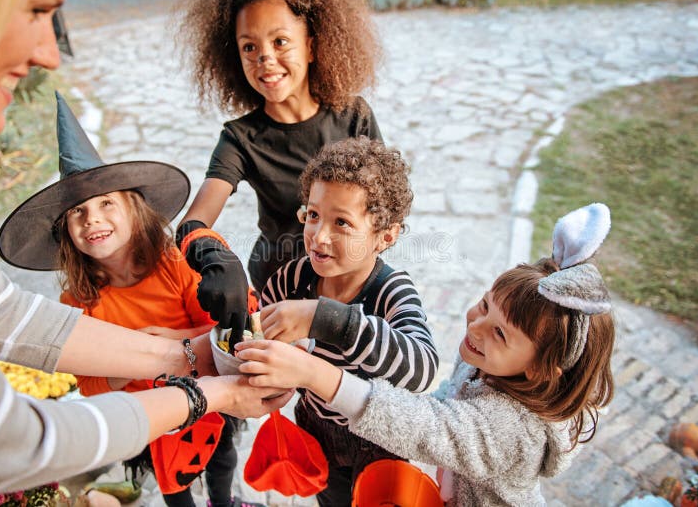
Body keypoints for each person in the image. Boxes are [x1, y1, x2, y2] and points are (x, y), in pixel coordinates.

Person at [0, 0, 290, 504]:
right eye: (39, 11)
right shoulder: (80, 296)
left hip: (182, 406)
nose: (50, 54)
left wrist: (184, 355)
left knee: (220, 468)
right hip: (159, 420)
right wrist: (198, 389)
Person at [239, 203, 617, 505]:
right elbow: (443, 405)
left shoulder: (516, 433)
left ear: (539, 371)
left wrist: (313, 373)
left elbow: (431, 426)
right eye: (484, 306)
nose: (475, 326)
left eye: (500, 332)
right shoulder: (486, 362)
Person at [0, 92, 262, 507]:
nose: (93, 220)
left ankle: (224, 500)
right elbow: (90, 386)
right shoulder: (77, 300)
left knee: (222, 458)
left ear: (134, 211)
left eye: (105, 203)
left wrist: (162, 338)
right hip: (148, 412)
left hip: (208, 390)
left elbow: (216, 329)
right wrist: (123, 365)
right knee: (173, 485)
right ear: (66, 232)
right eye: (77, 213)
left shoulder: (172, 263)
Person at [171, 0, 384, 346]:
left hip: (352, 283)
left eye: (280, 41)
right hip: (279, 286)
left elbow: (383, 207)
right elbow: (195, 220)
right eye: (249, 47)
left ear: (312, 46)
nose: (264, 58)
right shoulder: (240, 138)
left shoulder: (354, 116)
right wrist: (209, 251)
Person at [241, 138, 439, 505]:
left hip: (380, 441)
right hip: (317, 430)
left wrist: (327, 319)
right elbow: (257, 330)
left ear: (385, 236)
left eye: (342, 222)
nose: (319, 236)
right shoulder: (292, 279)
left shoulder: (390, 291)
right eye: (313, 215)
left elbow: (422, 368)